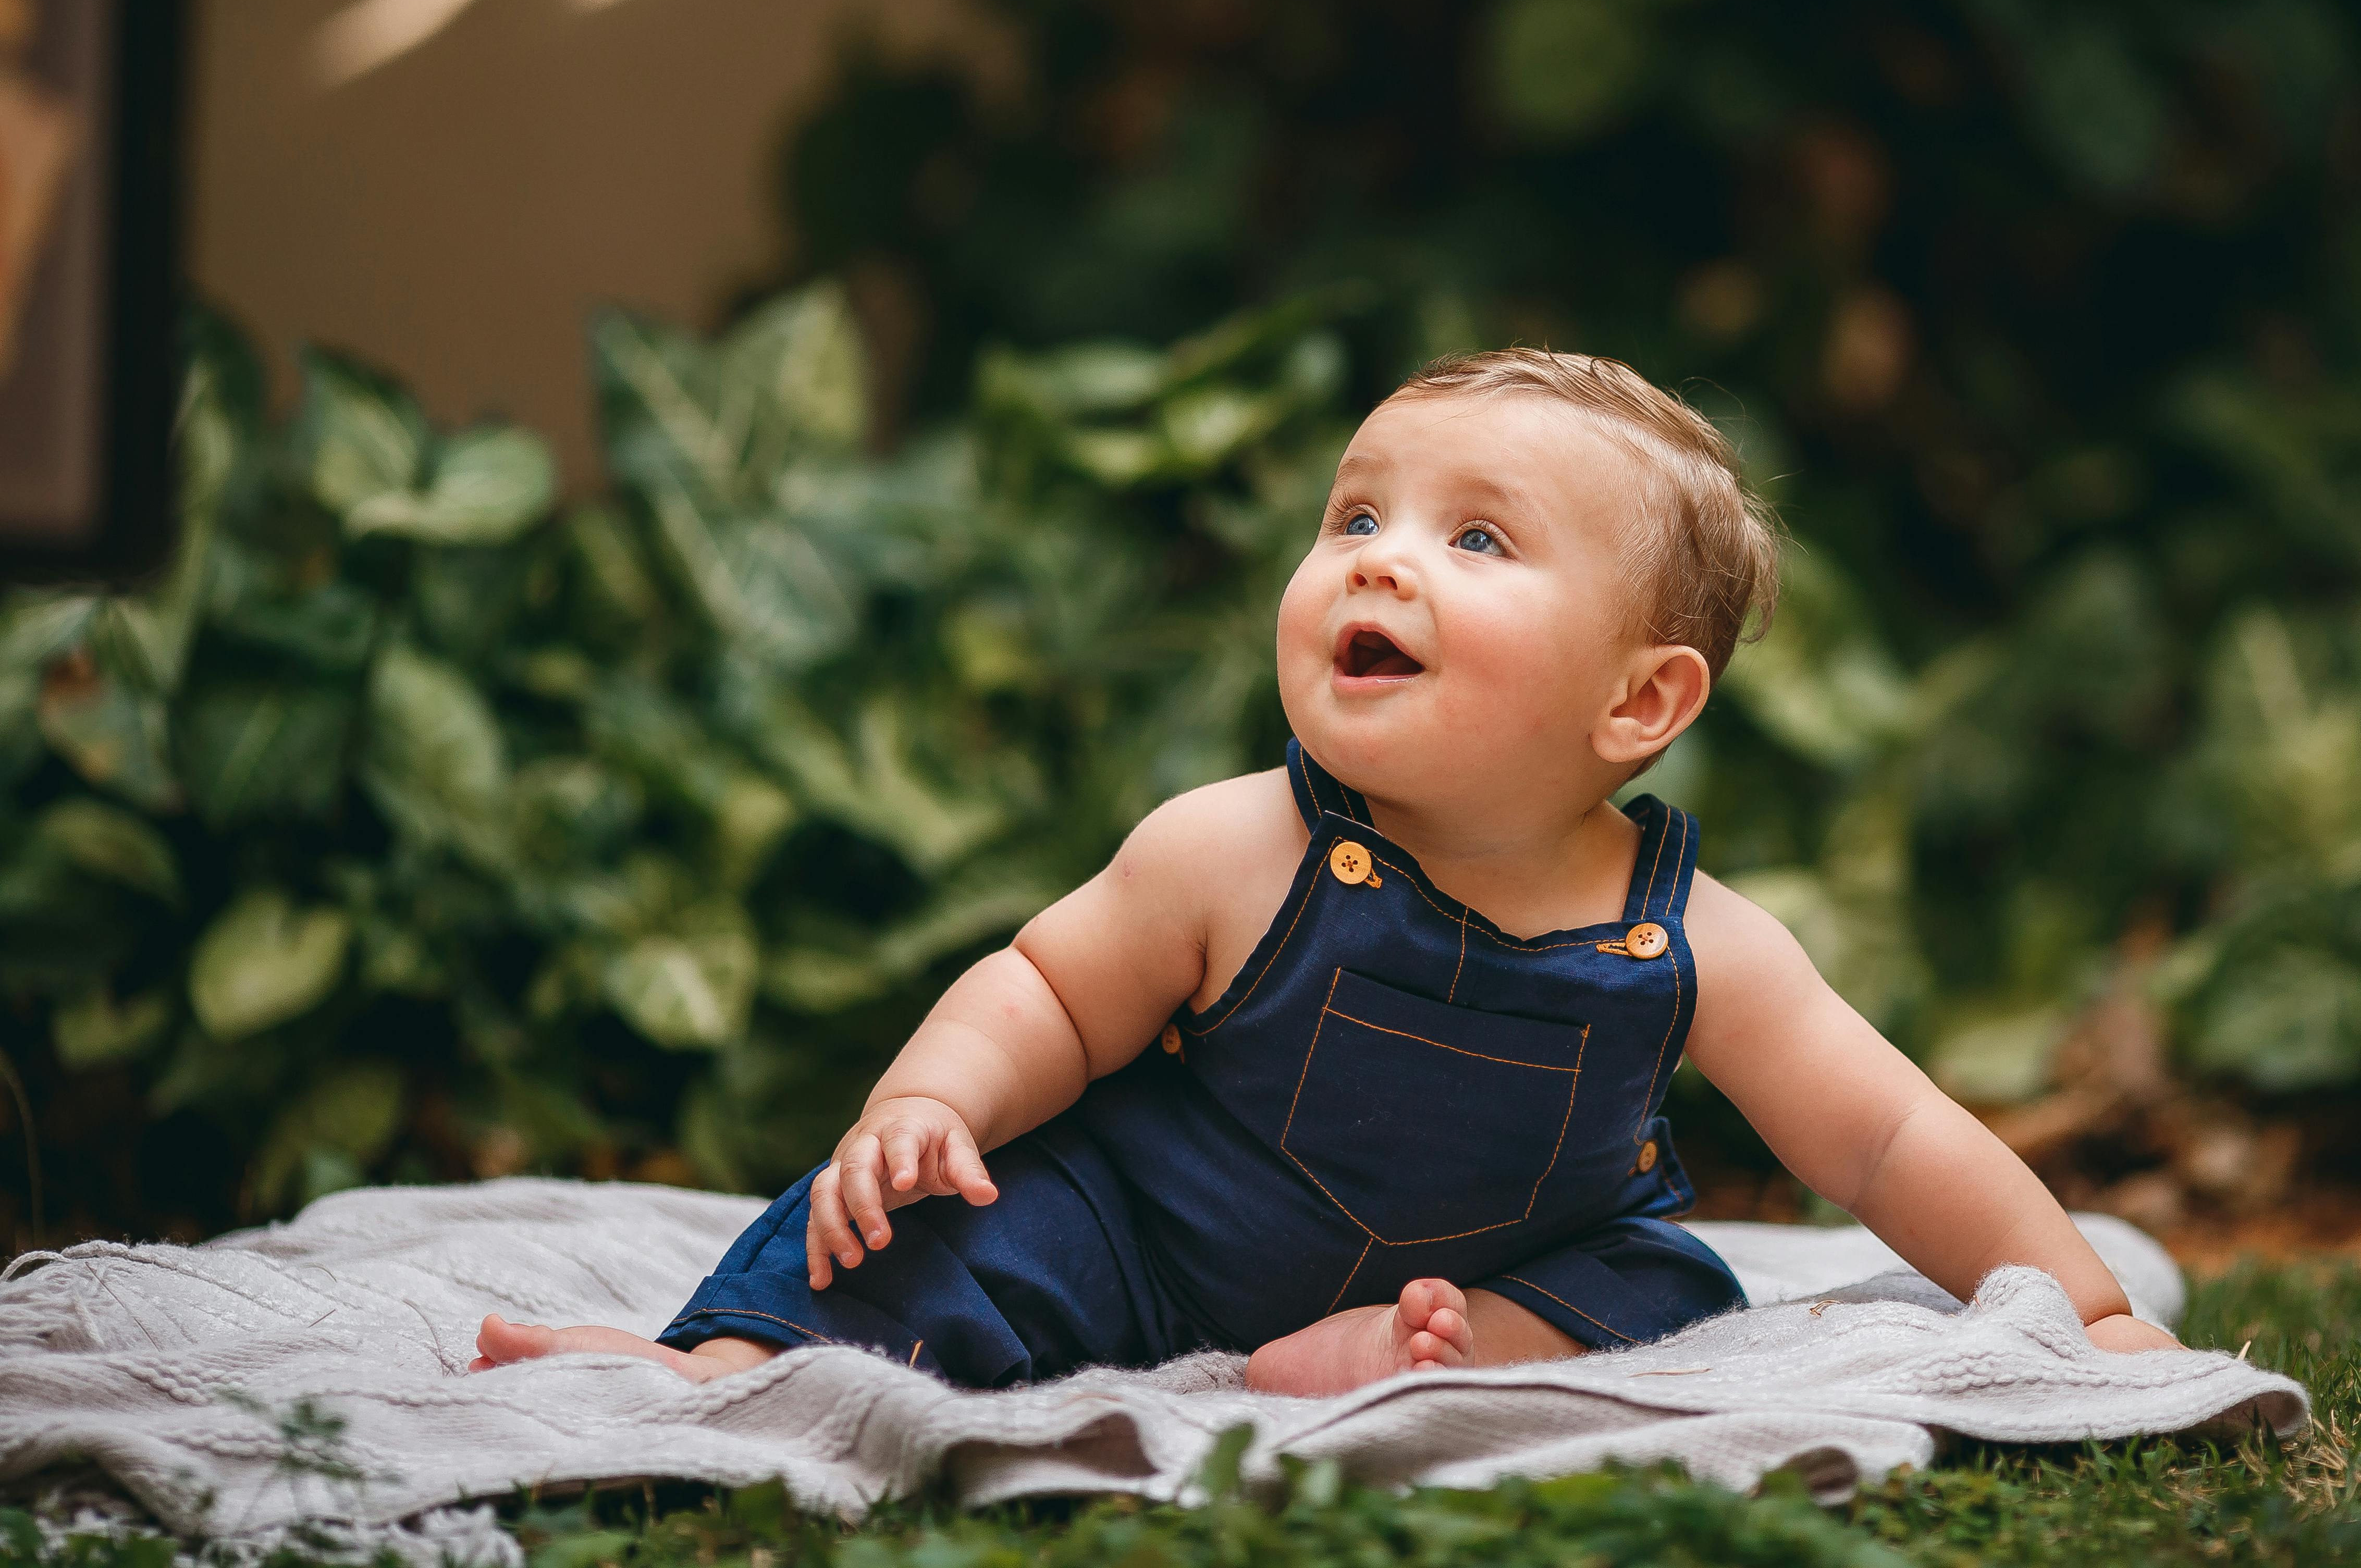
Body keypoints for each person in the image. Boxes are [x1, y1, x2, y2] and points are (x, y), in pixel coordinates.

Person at [473, 348, 2182, 1396]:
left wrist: (2083, 1306)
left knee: (1666, 1281)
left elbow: (1885, 1136)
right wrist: (930, 1105)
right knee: (936, 1233)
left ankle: (1424, 1350)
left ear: (1639, 700)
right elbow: (1050, 989)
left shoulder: (1695, 945)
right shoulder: (1238, 847)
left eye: (1479, 538)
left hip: (1514, 1249)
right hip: (1152, 1243)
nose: (1383, 563)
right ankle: (713, 1367)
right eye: (1356, 517)